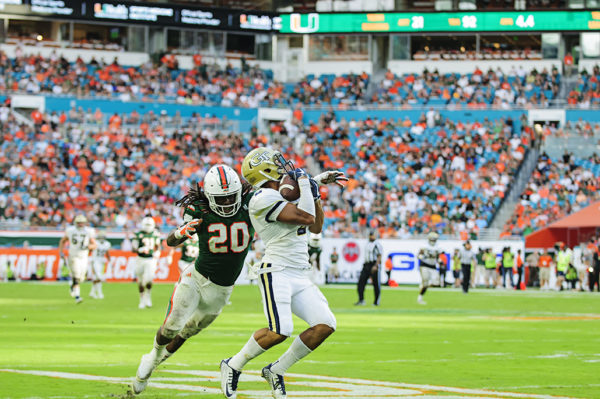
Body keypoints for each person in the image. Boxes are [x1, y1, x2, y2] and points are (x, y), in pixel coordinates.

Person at [221, 147, 346, 399]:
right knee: (280, 330)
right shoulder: (261, 198)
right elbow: (306, 217)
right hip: (276, 271)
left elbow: (317, 226)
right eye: (275, 163)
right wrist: (309, 181)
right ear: (263, 169)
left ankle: (276, 370)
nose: (283, 167)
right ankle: (233, 364)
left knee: (325, 324)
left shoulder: (282, 194)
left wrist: (315, 187)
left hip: (300, 273)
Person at [131, 164, 254, 395]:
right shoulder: (199, 209)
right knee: (171, 327)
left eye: (230, 197)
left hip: (223, 290)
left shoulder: (251, 204)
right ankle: (152, 356)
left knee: (187, 332)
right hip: (196, 278)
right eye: (221, 198)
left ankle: (157, 361)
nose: (227, 203)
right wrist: (180, 232)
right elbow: (170, 241)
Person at [59, 215, 97, 304]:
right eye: (78, 223)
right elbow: (62, 241)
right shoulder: (71, 230)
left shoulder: (89, 231)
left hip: (84, 256)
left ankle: (73, 286)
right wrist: (61, 251)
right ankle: (77, 296)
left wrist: (88, 246)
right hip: (73, 255)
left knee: (81, 278)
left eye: (81, 222)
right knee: (76, 275)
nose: (80, 224)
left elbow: (94, 245)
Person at [132, 217, 162, 309]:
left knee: (149, 279)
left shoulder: (156, 234)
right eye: (147, 225)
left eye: (149, 225)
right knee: (140, 281)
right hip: (140, 259)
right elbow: (133, 249)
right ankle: (142, 300)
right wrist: (139, 249)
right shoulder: (138, 234)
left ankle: (148, 296)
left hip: (151, 259)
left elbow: (157, 246)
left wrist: (158, 252)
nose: (148, 227)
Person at [356, 230, 383, 306]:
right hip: (366, 265)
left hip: (374, 264)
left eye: (372, 235)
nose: (371, 237)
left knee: (376, 284)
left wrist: (376, 265)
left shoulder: (377, 244)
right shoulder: (367, 243)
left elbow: (379, 255)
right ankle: (361, 300)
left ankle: (376, 302)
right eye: (370, 235)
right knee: (361, 282)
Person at [417, 232, 440, 304]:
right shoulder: (424, 246)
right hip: (424, 264)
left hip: (433, 266)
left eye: (434, 239)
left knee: (436, 283)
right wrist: (423, 257)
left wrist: (439, 260)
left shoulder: (438, 247)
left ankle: (424, 285)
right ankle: (420, 297)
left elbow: (438, 257)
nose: (433, 241)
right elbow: (418, 255)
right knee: (425, 280)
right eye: (432, 239)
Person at [90, 231, 111, 299]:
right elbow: (90, 250)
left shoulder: (107, 244)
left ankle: (92, 292)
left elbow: (107, 253)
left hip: (102, 261)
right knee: (99, 277)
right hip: (95, 260)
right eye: (100, 237)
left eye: (103, 237)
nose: (101, 238)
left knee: (98, 278)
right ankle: (100, 293)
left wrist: (110, 260)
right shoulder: (95, 243)